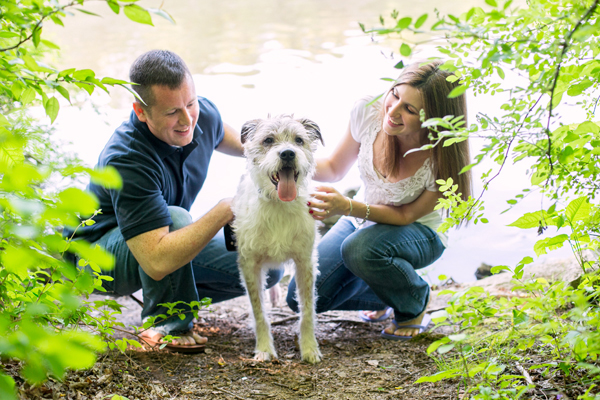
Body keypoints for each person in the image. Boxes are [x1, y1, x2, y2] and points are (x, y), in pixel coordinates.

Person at [69, 50, 282, 349]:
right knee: (176, 218)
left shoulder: (202, 115)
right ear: (141, 112)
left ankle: (172, 300)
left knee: (268, 266)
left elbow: (255, 150)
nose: (187, 120)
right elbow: (156, 261)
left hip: (154, 239)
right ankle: (168, 323)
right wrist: (226, 208)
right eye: (172, 112)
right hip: (95, 258)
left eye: (190, 103)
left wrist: (292, 166)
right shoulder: (128, 159)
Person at [286, 60, 472, 340]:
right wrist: (290, 160)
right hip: (362, 219)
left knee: (359, 249)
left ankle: (414, 301)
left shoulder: (443, 155)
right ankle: (389, 292)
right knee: (300, 297)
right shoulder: (368, 112)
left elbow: (405, 216)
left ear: (433, 118)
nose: (393, 112)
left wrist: (345, 206)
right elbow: (335, 168)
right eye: (395, 95)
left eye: (409, 109)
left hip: (419, 232)